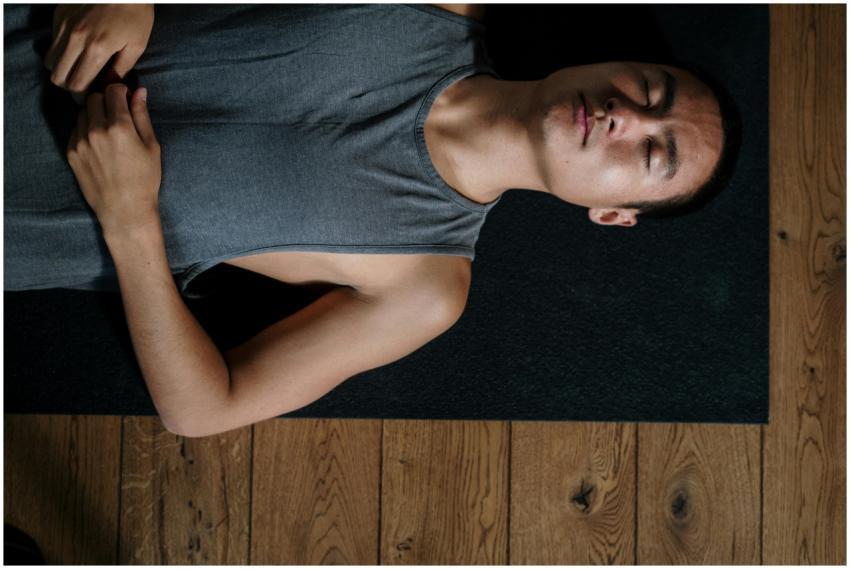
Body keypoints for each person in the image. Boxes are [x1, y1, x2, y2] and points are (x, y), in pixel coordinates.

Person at [4, 4, 735, 437]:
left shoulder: (425, 285)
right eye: (650, 90)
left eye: (653, 151)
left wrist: (132, 225)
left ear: (611, 213)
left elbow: (202, 408)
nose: (624, 117)